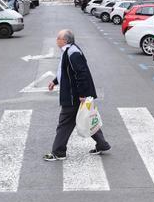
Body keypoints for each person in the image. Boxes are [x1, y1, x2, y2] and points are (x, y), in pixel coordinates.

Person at [44, 29, 111, 161]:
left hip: (73, 96)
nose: (57, 40)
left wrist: (82, 95)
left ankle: (58, 152)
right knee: (87, 119)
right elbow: (66, 72)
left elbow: (81, 74)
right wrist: (54, 81)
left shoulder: (72, 53)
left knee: (65, 123)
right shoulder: (69, 51)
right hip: (75, 94)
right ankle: (102, 144)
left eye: (58, 38)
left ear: (65, 40)